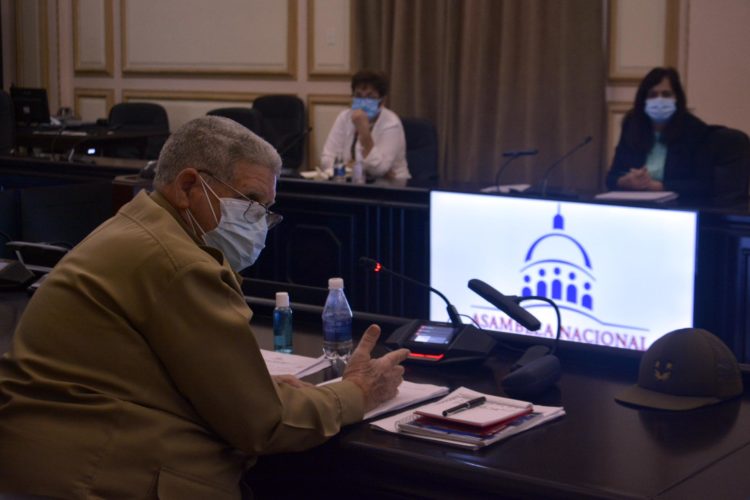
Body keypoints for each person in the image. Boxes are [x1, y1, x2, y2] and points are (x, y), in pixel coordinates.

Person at [0, 116, 409, 499]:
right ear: (187, 187)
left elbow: (159, 376)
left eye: (266, 210)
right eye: (250, 201)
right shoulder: (178, 263)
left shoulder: (139, 228)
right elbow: (262, 424)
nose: (258, 221)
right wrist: (355, 393)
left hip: (50, 463)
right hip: (97, 477)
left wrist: (257, 389)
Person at [605, 67, 714, 197]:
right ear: (643, 99)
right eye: (653, 95)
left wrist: (660, 187)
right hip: (636, 200)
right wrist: (625, 181)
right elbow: (611, 178)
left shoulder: (694, 129)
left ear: (677, 98)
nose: (659, 100)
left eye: (666, 94)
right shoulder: (632, 124)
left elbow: (703, 184)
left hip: (676, 204)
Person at [321, 69, 411, 180]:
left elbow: (378, 170)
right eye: (358, 96)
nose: (363, 102)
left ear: (382, 100)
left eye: (370, 97)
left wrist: (364, 132)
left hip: (390, 185)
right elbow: (326, 159)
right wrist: (359, 169)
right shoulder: (344, 117)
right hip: (351, 182)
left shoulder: (391, 124)